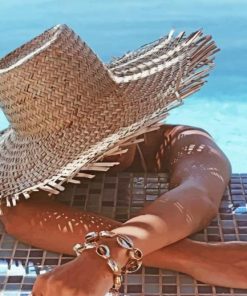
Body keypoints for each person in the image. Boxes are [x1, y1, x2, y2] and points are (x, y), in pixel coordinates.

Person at [0, 25, 246, 296]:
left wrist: (106, 255)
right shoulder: (29, 171)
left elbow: (197, 195)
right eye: (80, 146)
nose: (109, 151)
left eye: (109, 131)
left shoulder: (184, 139)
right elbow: (19, 216)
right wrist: (195, 257)